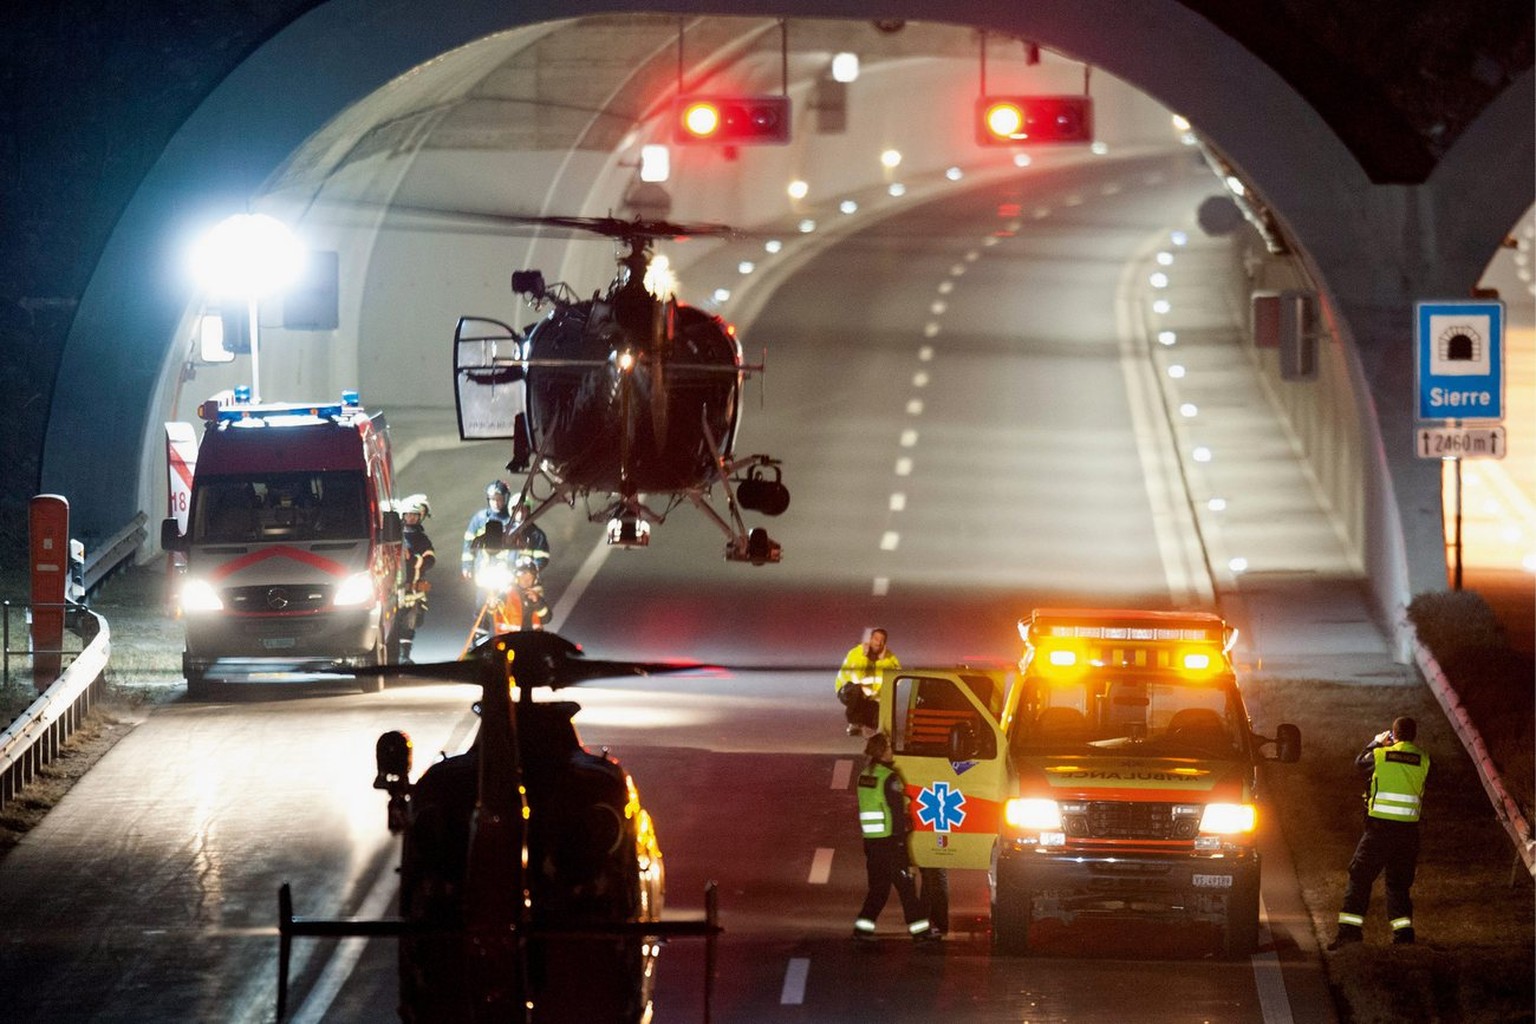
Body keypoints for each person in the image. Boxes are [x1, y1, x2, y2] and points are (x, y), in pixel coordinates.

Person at [1328, 716, 1432, 949]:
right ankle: (1403, 936)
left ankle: (1349, 933)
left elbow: (1359, 763)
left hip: (1380, 831)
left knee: (1360, 876)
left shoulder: (1380, 755)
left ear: (1393, 735)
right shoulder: (1424, 759)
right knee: (1398, 883)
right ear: (1414, 735)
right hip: (1408, 833)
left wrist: (1376, 742)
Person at [853, 731, 941, 945]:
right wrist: (901, 843)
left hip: (872, 842)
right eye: (889, 748)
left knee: (879, 889)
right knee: (907, 888)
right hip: (891, 842)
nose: (892, 751)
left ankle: (862, 930)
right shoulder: (890, 778)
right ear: (882, 752)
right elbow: (896, 813)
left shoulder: (865, 775)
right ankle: (921, 933)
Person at [394, 494, 435, 664]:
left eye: (414, 515)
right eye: (407, 515)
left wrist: (413, 559)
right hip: (394, 589)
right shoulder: (395, 536)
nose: (410, 518)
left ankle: (405, 655)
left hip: (413, 590)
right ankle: (393, 654)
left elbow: (430, 560)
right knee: (394, 622)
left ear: (420, 517)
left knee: (409, 623)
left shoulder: (422, 539)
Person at [835, 628, 899, 736]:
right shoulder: (856, 653)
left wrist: (882, 660)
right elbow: (856, 678)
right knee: (856, 690)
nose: (878, 642)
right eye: (876, 639)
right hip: (848, 691)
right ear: (870, 640)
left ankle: (865, 722)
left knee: (879, 726)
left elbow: (897, 679)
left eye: (882, 640)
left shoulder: (889, 657)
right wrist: (864, 657)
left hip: (871, 697)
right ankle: (854, 722)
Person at [513, 561, 550, 631]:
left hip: (530, 638)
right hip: (507, 638)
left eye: (530, 578)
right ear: (517, 577)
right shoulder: (507, 594)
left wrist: (537, 602)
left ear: (534, 580)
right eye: (523, 576)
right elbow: (490, 618)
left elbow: (546, 619)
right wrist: (492, 607)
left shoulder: (535, 596)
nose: (526, 581)